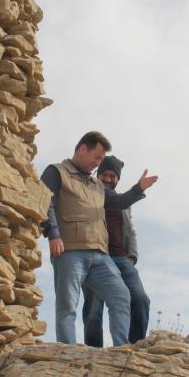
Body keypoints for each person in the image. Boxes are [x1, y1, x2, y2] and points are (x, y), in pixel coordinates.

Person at [41, 131, 158, 345]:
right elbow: (44, 202)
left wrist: (138, 188)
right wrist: (53, 234)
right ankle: (68, 354)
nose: (97, 164)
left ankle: (122, 350)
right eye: (96, 158)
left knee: (121, 296)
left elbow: (120, 202)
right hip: (70, 250)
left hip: (101, 255)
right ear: (83, 148)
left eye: (101, 160)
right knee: (68, 306)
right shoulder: (56, 172)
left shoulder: (96, 186)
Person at [81, 156, 151, 347]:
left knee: (140, 299)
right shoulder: (86, 196)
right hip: (95, 257)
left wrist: (132, 256)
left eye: (113, 176)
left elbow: (131, 230)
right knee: (94, 308)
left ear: (118, 179)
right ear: (98, 174)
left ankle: (135, 346)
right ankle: (93, 351)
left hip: (121, 258)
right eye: (105, 174)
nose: (108, 179)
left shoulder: (122, 201)